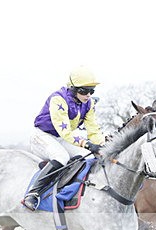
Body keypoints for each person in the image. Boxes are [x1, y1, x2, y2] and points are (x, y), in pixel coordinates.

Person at [22, 66, 106, 211]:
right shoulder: (58, 100)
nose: (88, 95)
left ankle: (70, 190)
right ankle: (33, 193)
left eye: (91, 91)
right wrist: (87, 144)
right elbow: (65, 131)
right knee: (61, 156)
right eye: (84, 91)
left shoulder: (89, 104)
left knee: (89, 156)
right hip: (42, 135)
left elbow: (93, 130)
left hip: (61, 138)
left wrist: (103, 146)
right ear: (73, 88)